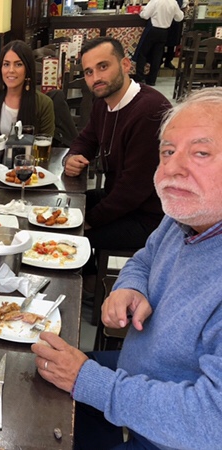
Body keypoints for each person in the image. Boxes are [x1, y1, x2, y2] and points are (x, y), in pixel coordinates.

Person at [32, 88, 222, 449]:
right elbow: (145, 258)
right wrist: (130, 286)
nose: (173, 168)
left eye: (201, 153)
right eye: (168, 152)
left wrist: (90, 382)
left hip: (171, 436)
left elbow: (210, 422)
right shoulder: (184, 219)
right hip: (135, 370)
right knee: (38, 376)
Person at [63, 37, 169, 276]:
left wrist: (89, 221)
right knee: (64, 208)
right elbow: (86, 138)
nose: (96, 78)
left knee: (73, 237)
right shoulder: (104, 102)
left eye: (103, 66)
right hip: (120, 200)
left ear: (125, 65)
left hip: (149, 217)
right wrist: (72, 157)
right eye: (89, 72)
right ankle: (89, 278)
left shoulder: (150, 111)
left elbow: (132, 190)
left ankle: (88, 285)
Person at [0, 40, 55, 137]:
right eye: (6, 64)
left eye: (18, 64)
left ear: (27, 69)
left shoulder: (44, 103)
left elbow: (45, 141)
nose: (11, 70)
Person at [134, 0, 184, 86]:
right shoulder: (173, 2)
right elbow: (179, 18)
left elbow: (145, 16)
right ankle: (152, 80)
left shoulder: (155, 1)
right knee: (157, 55)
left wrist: (141, 11)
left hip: (153, 30)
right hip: (164, 31)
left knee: (142, 53)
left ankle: (139, 77)